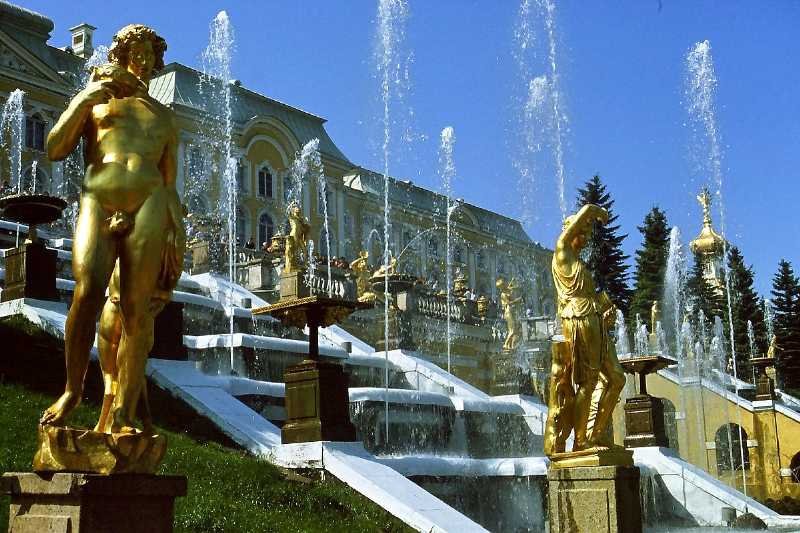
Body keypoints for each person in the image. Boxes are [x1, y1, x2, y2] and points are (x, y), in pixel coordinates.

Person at [41, 24, 185, 433]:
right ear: (121, 54)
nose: (142, 59)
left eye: (149, 54)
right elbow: (54, 148)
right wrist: (85, 97)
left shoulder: (164, 116)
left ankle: (123, 411)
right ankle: (72, 390)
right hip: (99, 195)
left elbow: (170, 184)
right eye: (134, 51)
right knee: (86, 293)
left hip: (150, 203)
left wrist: (177, 232)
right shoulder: (98, 97)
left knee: (137, 311)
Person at [549, 204, 625, 451]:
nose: (588, 236)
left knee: (616, 377)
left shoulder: (578, 261)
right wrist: (592, 210)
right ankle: (581, 441)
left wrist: (605, 311)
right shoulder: (562, 253)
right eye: (585, 230)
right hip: (578, 319)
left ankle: (597, 433)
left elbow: (590, 295)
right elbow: (567, 234)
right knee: (588, 381)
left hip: (594, 319)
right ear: (574, 231)